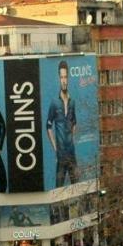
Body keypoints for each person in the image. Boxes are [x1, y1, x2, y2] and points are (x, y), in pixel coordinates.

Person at [46, 60, 80, 188]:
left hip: (72, 154)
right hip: (60, 156)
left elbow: (74, 122)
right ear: (59, 79)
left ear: (68, 78)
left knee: (76, 188)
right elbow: (48, 126)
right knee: (59, 190)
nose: (64, 80)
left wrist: (72, 139)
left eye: (66, 77)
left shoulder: (72, 102)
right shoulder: (54, 103)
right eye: (62, 77)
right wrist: (56, 148)